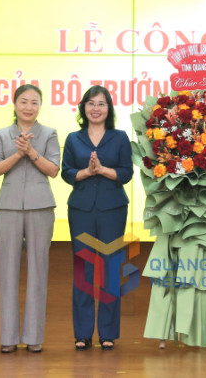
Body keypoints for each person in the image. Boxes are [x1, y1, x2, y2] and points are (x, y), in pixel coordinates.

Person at [0, 84, 60, 354]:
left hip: (41, 206)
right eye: (24, 101)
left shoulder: (50, 133)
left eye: (35, 102)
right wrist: (18, 153)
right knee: (7, 271)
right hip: (7, 207)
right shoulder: (2, 134)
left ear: (40, 106)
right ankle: (8, 337)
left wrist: (31, 152)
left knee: (38, 270)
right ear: (14, 103)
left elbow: (53, 170)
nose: (29, 107)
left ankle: (33, 337)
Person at [61, 85, 133, 352]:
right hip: (80, 209)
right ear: (83, 108)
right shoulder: (73, 138)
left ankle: (108, 333)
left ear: (109, 109)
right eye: (91, 103)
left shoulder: (120, 137)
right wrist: (87, 172)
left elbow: (126, 173)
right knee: (83, 271)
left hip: (112, 209)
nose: (95, 108)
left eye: (101, 104)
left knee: (110, 270)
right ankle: (82, 333)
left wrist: (102, 169)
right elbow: (66, 173)